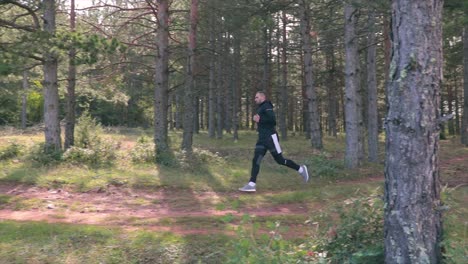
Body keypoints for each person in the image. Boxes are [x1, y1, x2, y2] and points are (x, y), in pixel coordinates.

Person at [239, 91, 309, 192]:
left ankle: (301, 169)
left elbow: (273, 120)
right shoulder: (261, 107)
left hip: (271, 138)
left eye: (256, 97)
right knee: (256, 160)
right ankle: (251, 184)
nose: (255, 99)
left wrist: (260, 120)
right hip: (262, 139)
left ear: (262, 97)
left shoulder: (267, 105)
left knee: (280, 160)